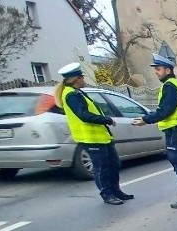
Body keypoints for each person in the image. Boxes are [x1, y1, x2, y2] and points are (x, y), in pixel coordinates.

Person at [54, 62, 134, 205]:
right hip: (90, 137)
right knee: (101, 167)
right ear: (76, 79)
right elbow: (84, 115)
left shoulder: (77, 92)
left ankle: (116, 190)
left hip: (101, 137)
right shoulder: (71, 95)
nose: (84, 80)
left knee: (114, 164)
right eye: (82, 77)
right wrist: (106, 119)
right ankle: (107, 194)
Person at [133, 54, 177, 208]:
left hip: (175, 132)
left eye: (158, 69)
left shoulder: (169, 86)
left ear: (167, 69)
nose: (156, 72)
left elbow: (165, 110)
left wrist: (145, 119)